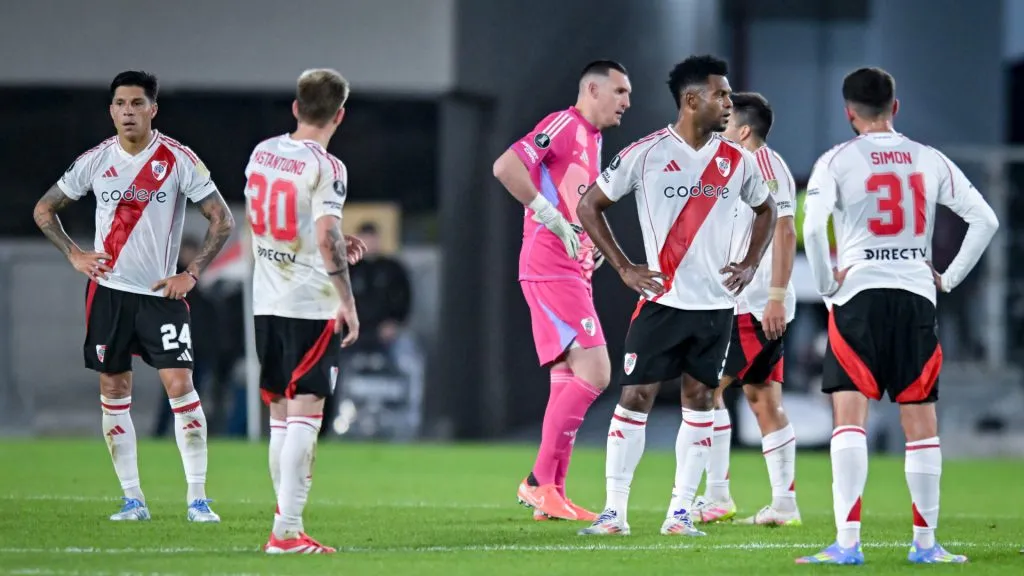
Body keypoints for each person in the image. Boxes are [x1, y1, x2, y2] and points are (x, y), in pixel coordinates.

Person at [796, 67, 998, 565]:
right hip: (914, 297)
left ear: (849, 113)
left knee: (849, 420)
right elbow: (985, 220)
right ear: (896, 106)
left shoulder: (836, 160)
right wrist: (946, 279)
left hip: (858, 297)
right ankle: (926, 546)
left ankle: (847, 545)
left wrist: (827, 286)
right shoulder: (928, 159)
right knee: (921, 424)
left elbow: (816, 230)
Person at [575, 55, 776, 537]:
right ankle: (614, 513)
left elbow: (767, 211)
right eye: (721, 95)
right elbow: (589, 205)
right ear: (692, 100)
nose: (729, 104)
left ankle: (680, 514)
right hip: (662, 303)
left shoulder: (738, 161)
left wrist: (749, 264)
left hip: (715, 307)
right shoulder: (645, 154)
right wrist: (624, 268)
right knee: (635, 397)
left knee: (701, 401)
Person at [32, 70, 234, 523]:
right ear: (111, 110)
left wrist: (193, 272)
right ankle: (132, 500)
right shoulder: (94, 161)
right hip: (108, 295)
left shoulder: (178, 159)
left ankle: (198, 500)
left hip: (161, 295)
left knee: (181, 388)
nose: (128, 111)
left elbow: (222, 219)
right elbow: (44, 209)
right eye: (120, 104)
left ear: (152, 109)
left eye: (137, 103)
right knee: (113, 389)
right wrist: (74, 254)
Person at [492, 60, 632, 521]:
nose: (626, 102)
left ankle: (553, 493)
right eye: (619, 91)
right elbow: (507, 166)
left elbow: (577, 199)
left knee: (567, 379)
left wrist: (588, 243)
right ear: (591, 89)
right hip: (549, 265)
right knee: (597, 372)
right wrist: (547, 214)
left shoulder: (593, 139)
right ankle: (536, 482)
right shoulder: (564, 123)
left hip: (571, 266)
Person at [245, 68, 366, 554]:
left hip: (267, 300)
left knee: (280, 414)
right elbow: (323, 235)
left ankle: (285, 526)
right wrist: (347, 303)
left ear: (296, 108)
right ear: (340, 115)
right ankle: (287, 531)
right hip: (309, 304)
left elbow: (273, 224)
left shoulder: (263, 152)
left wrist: (331, 246)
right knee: (305, 415)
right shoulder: (327, 166)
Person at [694, 92, 801, 527]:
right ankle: (784, 504)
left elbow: (787, 229)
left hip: (754, 305)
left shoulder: (764, 165)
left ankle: (717, 495)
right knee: (761, 398)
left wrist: (774, 294)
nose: (720, 124)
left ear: (743, 130)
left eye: (726, 119)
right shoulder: (736, 167)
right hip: (745, 300)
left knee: (705, 391)